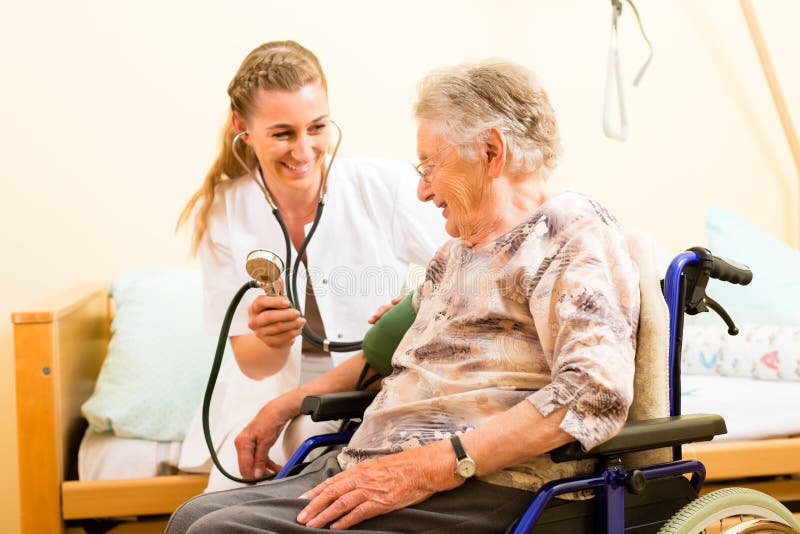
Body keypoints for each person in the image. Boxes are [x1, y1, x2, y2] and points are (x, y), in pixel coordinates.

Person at [168, 59, 640, 533]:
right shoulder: (456, 254)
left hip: (482, 483)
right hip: (378, 464)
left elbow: (593, 392)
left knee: (217, 532)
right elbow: (393, 356)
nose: (421, 190)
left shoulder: (568, 231)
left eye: (431, 166)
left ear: (492, 152)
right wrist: (286, 403)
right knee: (195, 516)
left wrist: (435, 464)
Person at [176, 41, 448, 491]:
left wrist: (412, 305)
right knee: (226, 500)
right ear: (241, 126)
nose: (304, 151)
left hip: (370, 375)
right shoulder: (222, 211)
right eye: (283, 134)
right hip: (263, 393)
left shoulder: (386, 185)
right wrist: (272, 339)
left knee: (325, 479)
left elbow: (471, 266)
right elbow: (256, 365)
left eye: (317, 127)